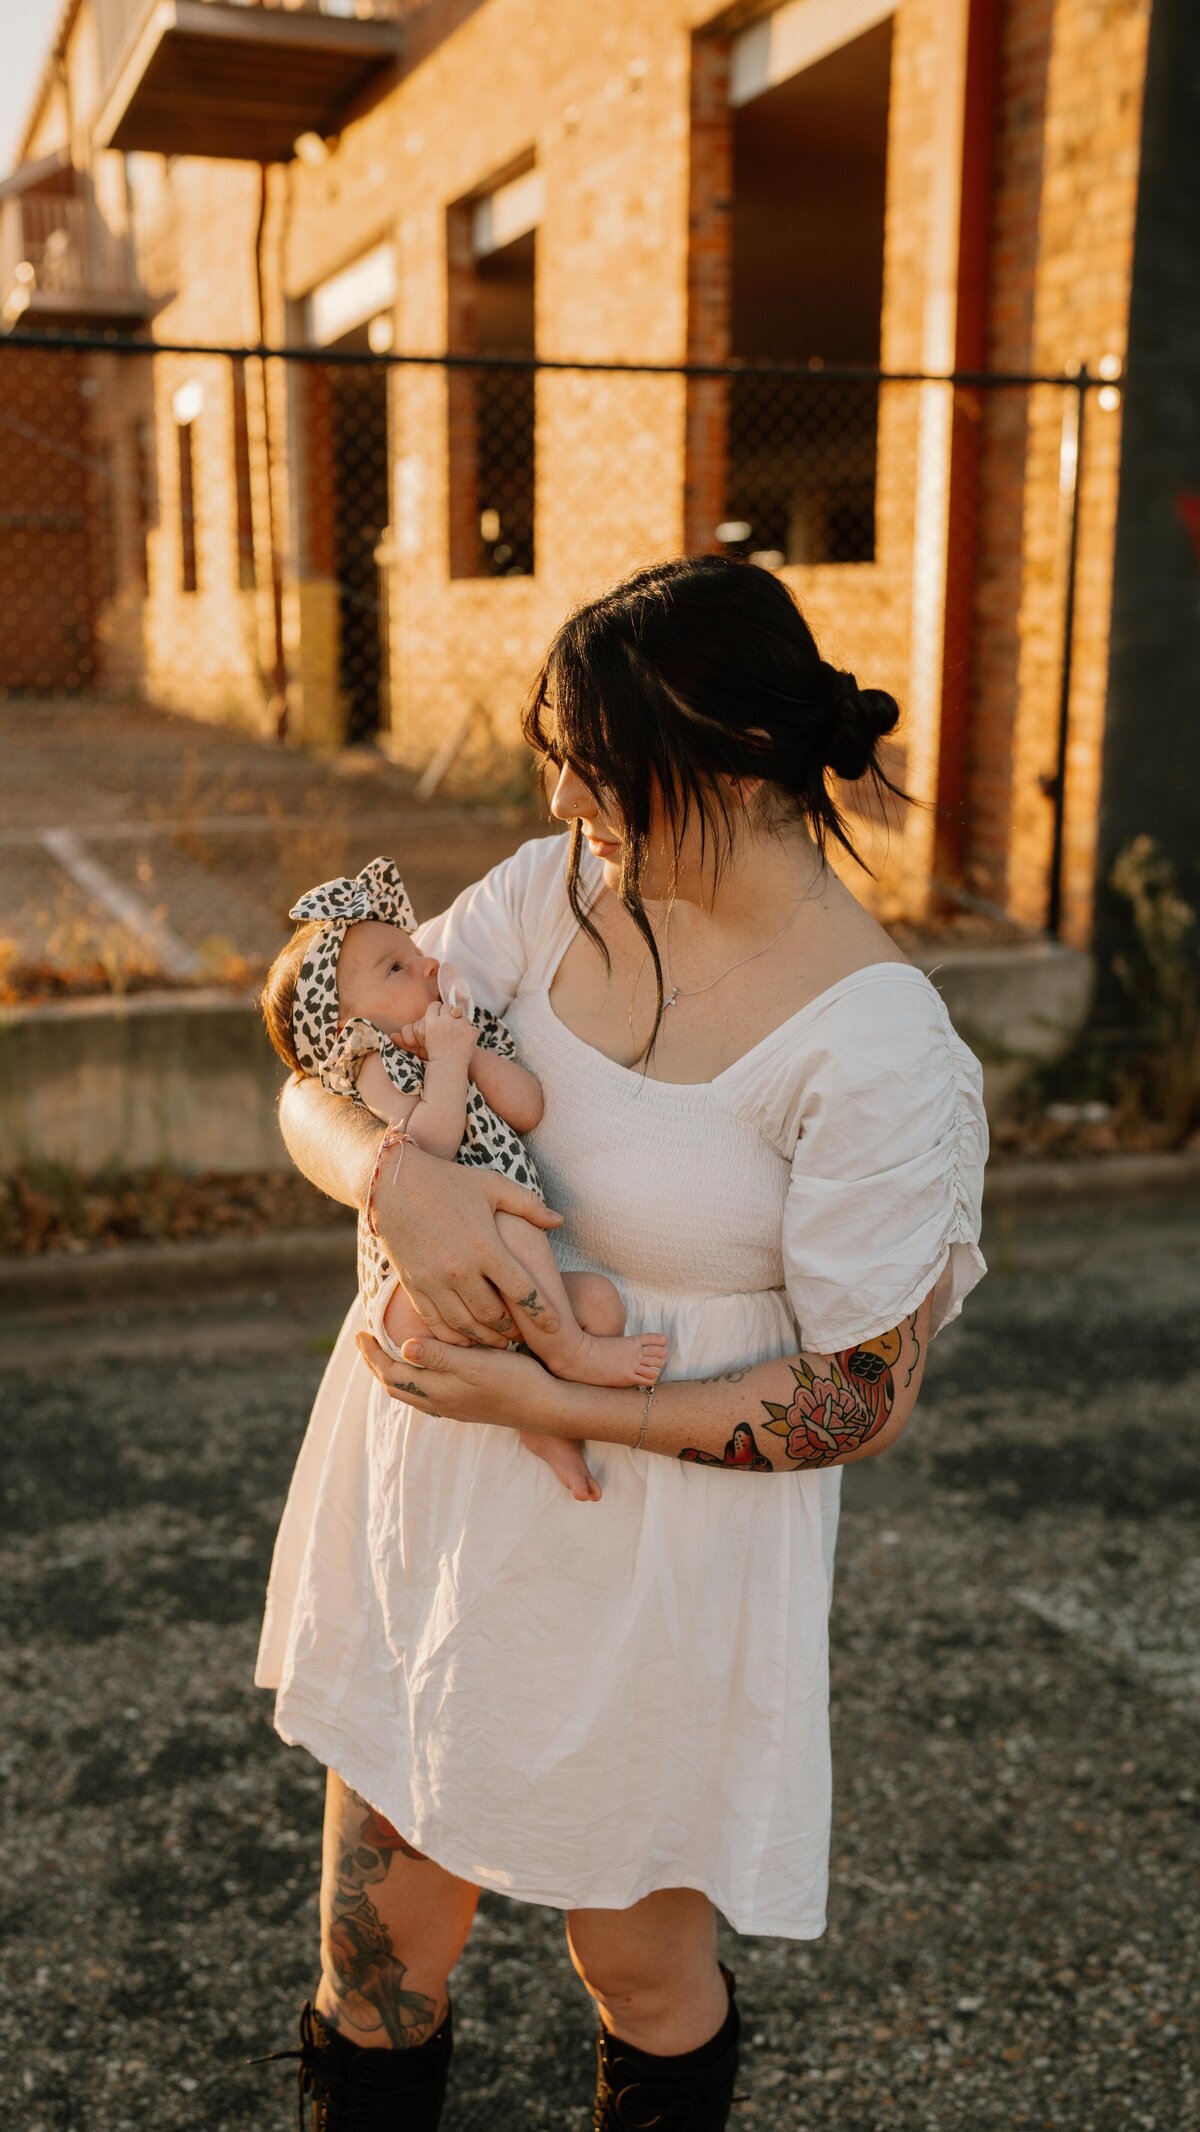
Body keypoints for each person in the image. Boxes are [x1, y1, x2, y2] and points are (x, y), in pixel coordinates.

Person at [254, 554, 989, 2131]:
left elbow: (858, 1394)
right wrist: (393, 1178)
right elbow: (313, 1077)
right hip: (439, 1508)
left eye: (598, 777)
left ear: (724, 760)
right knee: (376, 1960)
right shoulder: (544, 895)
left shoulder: (876, 1045)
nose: (571, 807)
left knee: (640, 1974)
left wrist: (540, 1384)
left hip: (659, 1553)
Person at [259, 854, 667, 1503]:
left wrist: (469, 1049)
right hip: (416, 1292)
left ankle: (542, 1415)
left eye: (414, 953)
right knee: (505, 1217)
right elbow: (425, 1151)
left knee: (599, 1305)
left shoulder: (461, 1034)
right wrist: (447, 1063)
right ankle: (568, 1358)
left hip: (497, 1278)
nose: (425, 963)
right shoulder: (372, 1059)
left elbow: (526, 1107)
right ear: (340, 1025)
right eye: (395, 967)